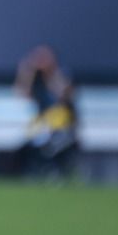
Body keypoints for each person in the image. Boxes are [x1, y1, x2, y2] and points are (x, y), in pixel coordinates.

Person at [14, 45, 80, 180]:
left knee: (50, 141)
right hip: (43, 124)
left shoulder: (61, 74)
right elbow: (22, 94)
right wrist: (27, 72)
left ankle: (57, 172)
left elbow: (64, 95)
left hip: (63, 126)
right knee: (33, 142)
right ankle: (39, 172)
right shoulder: (36, 79)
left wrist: (51, 74)